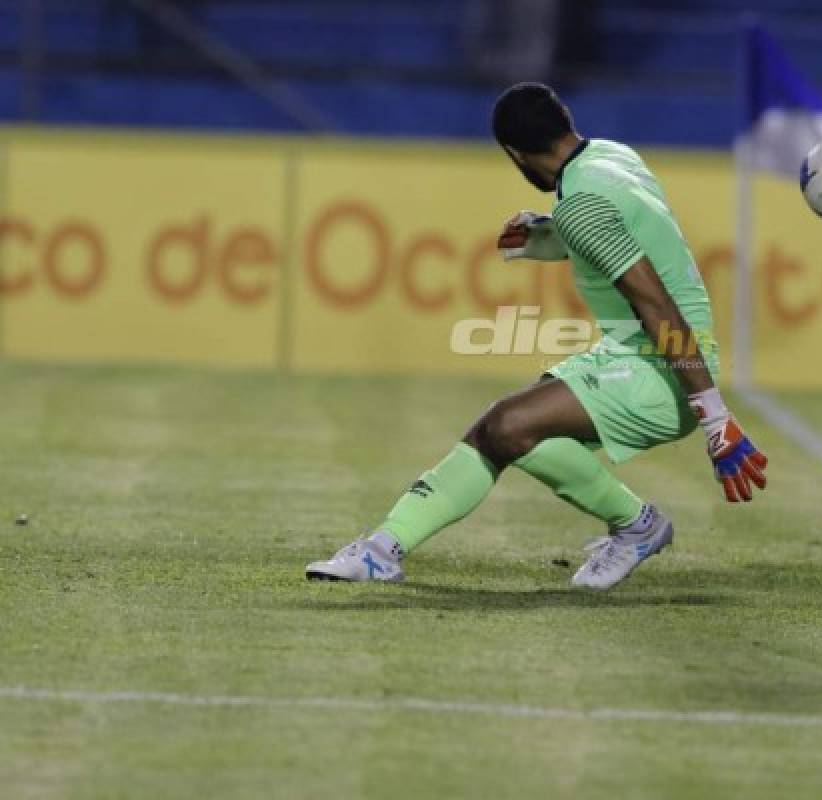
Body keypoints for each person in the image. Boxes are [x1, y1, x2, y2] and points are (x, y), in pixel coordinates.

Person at [306, 83, 768, 590]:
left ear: (515, 155)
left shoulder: (582, 205)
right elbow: (625, 234)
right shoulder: (614, 157)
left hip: (663, 368)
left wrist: (714, 418)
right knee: (521, 433)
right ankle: (639, 527)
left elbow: (657, 306)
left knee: (504, 425)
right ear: (564, 119)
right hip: (646, 354)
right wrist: (548, 233)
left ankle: (381, 552)